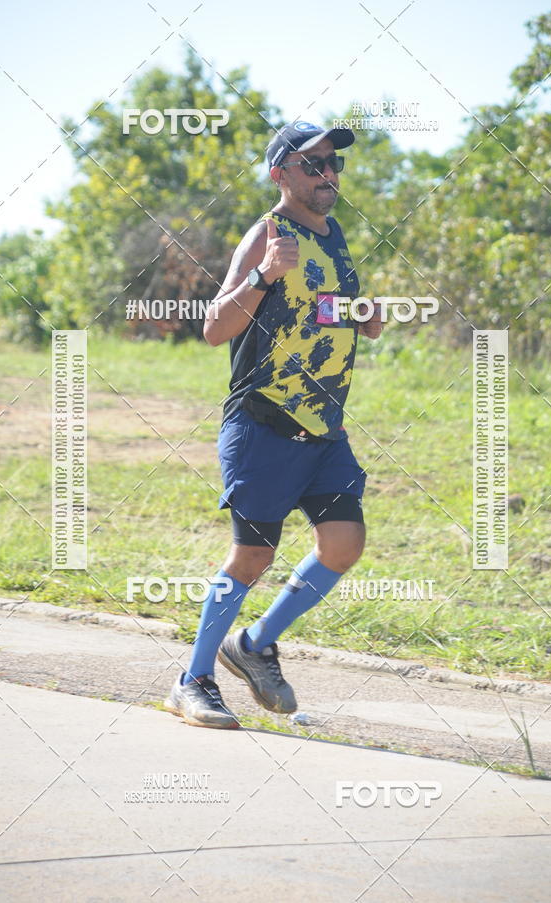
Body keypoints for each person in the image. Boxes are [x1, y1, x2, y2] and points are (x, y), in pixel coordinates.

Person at [165, 121, 383, 728]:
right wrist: (261, 275)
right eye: (313, 165)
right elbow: (214, 329)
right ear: (280, 173)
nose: (328, 175)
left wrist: (360, 315)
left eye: (333, 164)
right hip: (263, 424)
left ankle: (254, 644)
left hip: (324, 430)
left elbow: (313, 311)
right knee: (252, 558)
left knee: (343, 544)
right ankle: (193, 680)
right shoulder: (267, 233)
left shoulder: (335, 237)